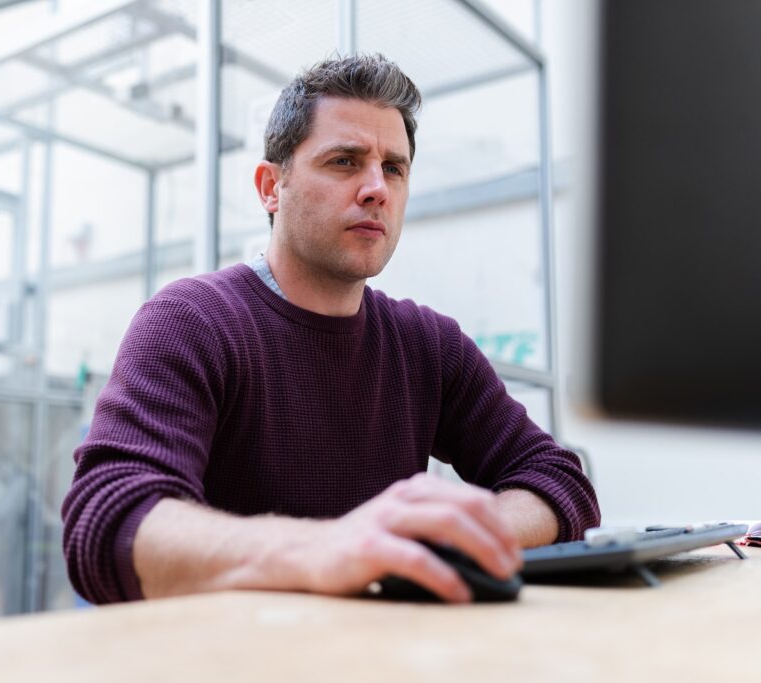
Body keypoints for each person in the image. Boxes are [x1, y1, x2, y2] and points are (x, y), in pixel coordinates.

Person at [62, 54, 600, 606]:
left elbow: (558, 479)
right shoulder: (193, 322)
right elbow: (108, 523)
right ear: (271, 187)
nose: (377, 189)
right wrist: (328, 547)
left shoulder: (428, 346)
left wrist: (447, 536)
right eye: (345, 161)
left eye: (394, 168)